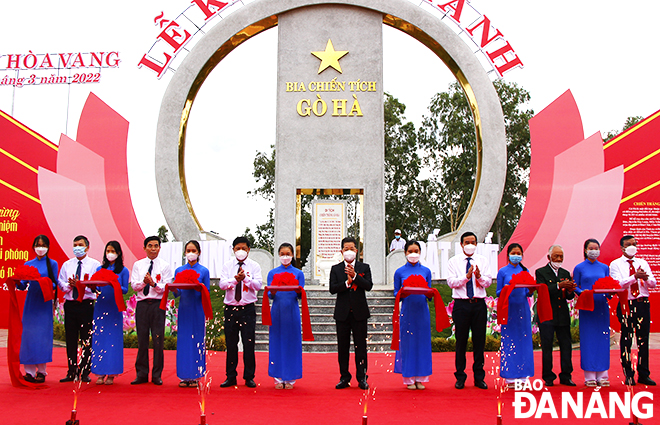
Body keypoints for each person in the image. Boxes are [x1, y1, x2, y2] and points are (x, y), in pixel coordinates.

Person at [446, 231, 492, 390]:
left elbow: (488, 282)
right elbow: (451, 282)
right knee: (461, 341)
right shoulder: (454, 261)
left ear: (476, 244)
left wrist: (478, 277)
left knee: (479, 341)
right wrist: (467, 277)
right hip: (461, 305)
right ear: (461, 244)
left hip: (478, 304)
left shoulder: (483, 261)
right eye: (467, 242)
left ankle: (479, 377)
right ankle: (460, 376)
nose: (470, 245)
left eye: (473, 242)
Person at [609, 235, 657, 386]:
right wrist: (634, 277)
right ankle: (628, 373)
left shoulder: (642, 262)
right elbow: (618, 284)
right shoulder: (615, 264)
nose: (632, 246)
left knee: (643, 339)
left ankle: (643, 374)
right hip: (626, 304)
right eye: (629, 244)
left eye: (635, 244)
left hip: (642, 303)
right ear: (622, 247)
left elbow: (653, 284)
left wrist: (645, 278)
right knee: (627, 339)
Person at [329, 237, 373, 390]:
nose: (349, 251)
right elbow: (332, 289)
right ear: (341, 251)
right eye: (346, 249)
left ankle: (362, 377)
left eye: (352, 248)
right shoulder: (336, 269)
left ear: (356, 250)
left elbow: (368, 286)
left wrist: (355, 276)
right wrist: (346, 283)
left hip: (360, 313)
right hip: (342, 314)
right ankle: (344, 377)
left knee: (360, 347)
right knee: (343, 347)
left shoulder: (364, 267)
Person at [219, 236, 263, 388]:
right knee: (231, 344)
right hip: (231, 308)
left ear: (249, 250)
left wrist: (246, 280)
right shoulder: (227, 266)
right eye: (238, 248)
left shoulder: (254, 266)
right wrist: (235, 280)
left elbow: (258, 285)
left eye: (244, 248)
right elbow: (222, 284)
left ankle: (249, 376)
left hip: (248, 309)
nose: (241, 251)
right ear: (233, 250)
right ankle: (230, 376)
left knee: (248, 343)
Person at [57, 235, 101, 383]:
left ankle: (84, 371)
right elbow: (61, 283)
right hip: (70, 305)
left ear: (87, 247)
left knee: (86, 339)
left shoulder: (95, 265)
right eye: (75, 245)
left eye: (80, 245)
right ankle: (71, 370)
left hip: (86, 305)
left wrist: (81, 285)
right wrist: (69, 286)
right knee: (71, 339)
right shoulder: (67, 265)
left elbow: (96, 287)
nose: (77, 247)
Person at [130, 235, 173, 386]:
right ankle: (141, 374)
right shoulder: (138, 265)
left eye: (156, 246)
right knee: (142, 340)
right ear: (144, 248)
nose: (153, 249)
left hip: (157, 305)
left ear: (160, 248)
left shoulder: (165, 266)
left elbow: (166, 287)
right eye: (150, 246)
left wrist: (153, 283)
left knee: (158, 340)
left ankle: (156, 375)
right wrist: (144, 282)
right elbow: (134, 285)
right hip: (142, 304)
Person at [17, 235, 59, 383]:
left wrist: (43, 282)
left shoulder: (52, 264)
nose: (40, 248)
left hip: (44, 303)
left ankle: (41, 371)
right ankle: (29, 371)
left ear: (47, 247)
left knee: (42, 337)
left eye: (43, 245)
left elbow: (55, 284)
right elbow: (22, 285)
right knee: (28, 336)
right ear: (33, 246)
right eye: (37, 245)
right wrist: (17, 281)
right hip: (31, 303)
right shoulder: (28, 263)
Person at [393, 240, 433, 390]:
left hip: (422, 311)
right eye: (410, 251)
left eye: (416, 251)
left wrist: (429, 293)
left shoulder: (426, 271)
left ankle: (421, 378)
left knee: (422, 343)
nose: (413, 254)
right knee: (408, 344)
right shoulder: (399, 272)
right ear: (405, 253)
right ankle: (409, 378)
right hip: (407, 311)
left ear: (420, 252)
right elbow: (396, 293)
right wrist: (403, 292)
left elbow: (429, 291)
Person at [535, 245, 576, 387]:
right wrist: (559, 285)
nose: (558, 259)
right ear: (549, 257)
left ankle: (566, 375)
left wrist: (570, 289)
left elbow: (568, 297)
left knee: (566, 346)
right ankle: (548, 376)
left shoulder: (565, 272)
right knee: (547, 346)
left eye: (561, 257)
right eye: (556, 256)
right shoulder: (541, 272)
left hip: (562, 314)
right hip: (547, 314)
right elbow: (543, 290)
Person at [267, 243, 305, 389]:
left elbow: (301, 294)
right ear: (279, 255)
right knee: (276, 342)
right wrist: (275, 289)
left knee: (291, 343)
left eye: (287, 253)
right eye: (282, 254)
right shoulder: (273, 273)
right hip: (277, 311)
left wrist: (294, 288)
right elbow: (270, 294)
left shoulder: (298, 273)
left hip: (292, 311)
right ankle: (277, 377)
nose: (285, 256)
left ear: (292, 255)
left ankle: (290, 378)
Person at [173, 240, 211, 387]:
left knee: (196, 341)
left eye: (193, 250)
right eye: (188, 250)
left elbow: (206, 292)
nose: (190, 253)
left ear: (199, 252)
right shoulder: (179, 270)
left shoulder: (204, 271)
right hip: (184, 309)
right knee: (183, 341)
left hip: (197, 309)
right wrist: (173, 289)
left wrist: (198, 287)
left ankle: (196, 375)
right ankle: (183, 376)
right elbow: (177, 293)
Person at [573, 238, 610, 387]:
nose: (594, 251)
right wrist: (584, 293)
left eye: (596, 248)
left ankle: (603, 375)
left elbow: (608, 284)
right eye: (591, 248)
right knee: (588, 340)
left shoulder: (604, 267)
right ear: (585, 250)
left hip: (601, 307)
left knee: (602, 340)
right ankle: (589, 376)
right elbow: (575, 286)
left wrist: (611, 293)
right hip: (587, 307)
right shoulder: (579, 268)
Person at [91, 241, 129, 385]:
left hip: (115, 307)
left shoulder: (123, 270)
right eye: (108, 251)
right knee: (100, 338)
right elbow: (94, 287)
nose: (110, 253)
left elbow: (125, 289)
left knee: (113, 340)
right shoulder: (100, 268)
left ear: (118, 253)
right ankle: (100, 372)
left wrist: (113, 283)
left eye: (113, 251)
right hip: (101, 306)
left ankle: (112, 373)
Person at [496, 243, 534, 388]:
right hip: (509, 308)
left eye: (519, 253)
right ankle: (510, 377)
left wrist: (530, 291)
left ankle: (524, 376)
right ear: (508, 255)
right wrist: (508, 287)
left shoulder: (525, 270)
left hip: (522, 309)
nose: (516, 255)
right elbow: (498, 292)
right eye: (513, 252)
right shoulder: (503, 272)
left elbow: (527, 292)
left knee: (524, 341)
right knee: (509, 341)